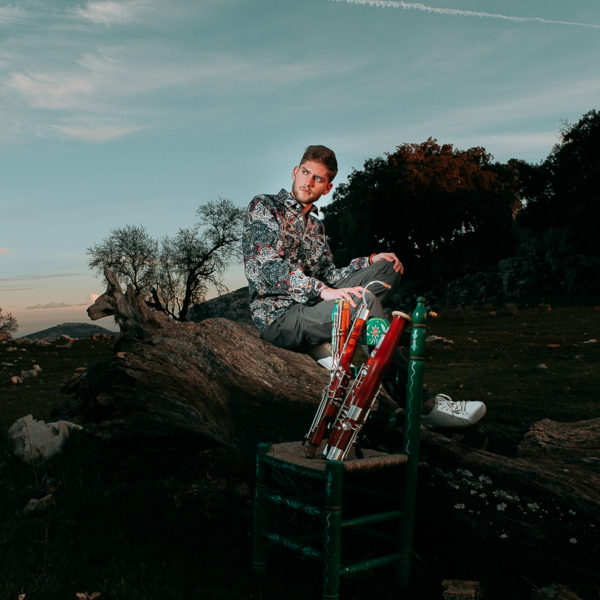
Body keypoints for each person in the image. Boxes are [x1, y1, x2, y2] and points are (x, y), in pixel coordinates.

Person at [242, 144, 485, 428]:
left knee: (387, 268)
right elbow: (267, 267)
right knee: (367, 304)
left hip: (313, 307)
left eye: (317, 178)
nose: (308, 182)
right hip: (281, 317)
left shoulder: (316, 227)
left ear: (327, 187)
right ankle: (423, 405)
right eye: (305, 173)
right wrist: (323, 292)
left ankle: (348, 328)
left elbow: (329, 274)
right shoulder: (264, 206)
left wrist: (369, 260)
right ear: (295, 172)